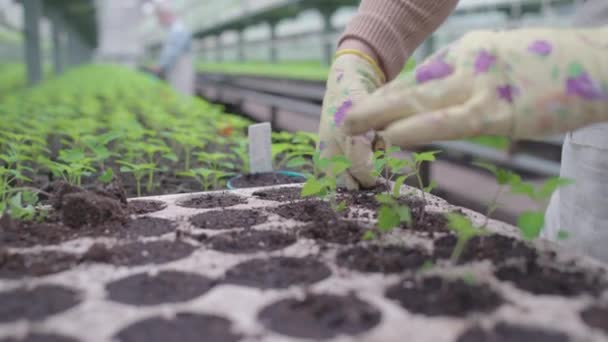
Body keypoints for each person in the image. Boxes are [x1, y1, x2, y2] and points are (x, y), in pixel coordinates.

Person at [319, 0, 608, 261]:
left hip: (592, 100)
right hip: (592, 160)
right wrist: (363, 50)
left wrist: (599, 60)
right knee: (570, 270)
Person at [153, 5, 194, 96]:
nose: (160, 23)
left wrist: (161, 65)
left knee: (181, 92)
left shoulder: (178, 29)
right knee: (177, 92)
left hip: (180, 66)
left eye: (160, 19)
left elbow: (172, 51)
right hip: (177, 67)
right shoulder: (174, 30)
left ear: (166, 16)